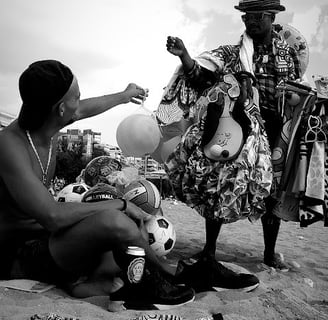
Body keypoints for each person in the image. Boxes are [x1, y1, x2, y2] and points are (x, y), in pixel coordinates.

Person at [0, 60, 195, 310]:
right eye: (76, 96)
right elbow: (52, 216)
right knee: (113, 221)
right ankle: (166, 274)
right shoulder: (9, 145)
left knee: (110, 233)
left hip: (48, 239)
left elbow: (85, 108)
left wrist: (125, 96)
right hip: (17, 254)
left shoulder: (48, 123)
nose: (79, 103)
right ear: (60, 109)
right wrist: (120, 204)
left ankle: (89, 283)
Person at [162, 0, 302, 291]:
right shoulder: (231, 54)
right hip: (238, 127)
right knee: (219, 181)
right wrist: (185, 56)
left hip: (275, 130)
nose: (251, 21)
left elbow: (296, 93)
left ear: (271, 17)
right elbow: (201, 77)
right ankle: (210, 250)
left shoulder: (288, 56)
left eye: (258, 16)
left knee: (271, 192)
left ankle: (268, 253)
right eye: (247, 16)